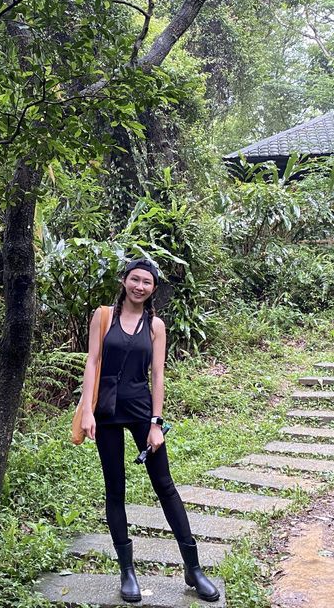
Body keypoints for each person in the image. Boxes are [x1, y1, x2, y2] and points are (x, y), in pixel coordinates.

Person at [78, 258, 220, 603]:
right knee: (116, 488)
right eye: (134, 279)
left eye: (147, 282)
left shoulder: (155, 325)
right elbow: (92, 362)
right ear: (124, 281)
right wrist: (86, 410)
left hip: (142, 410)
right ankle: (127, 572)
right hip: (106, 410)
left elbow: (158, 375)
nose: (139, 286)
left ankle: (194, 568)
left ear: (153, 288)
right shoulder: (103, 317)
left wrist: (157, 424)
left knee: (166, 486)